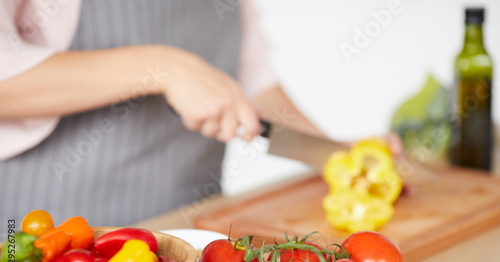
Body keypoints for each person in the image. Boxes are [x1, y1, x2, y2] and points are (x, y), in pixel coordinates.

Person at [0, 1, 401, 232]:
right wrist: (162, 66)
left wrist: (337, 154)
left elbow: (253, 86)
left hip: (187, 234)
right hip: (46, 234)